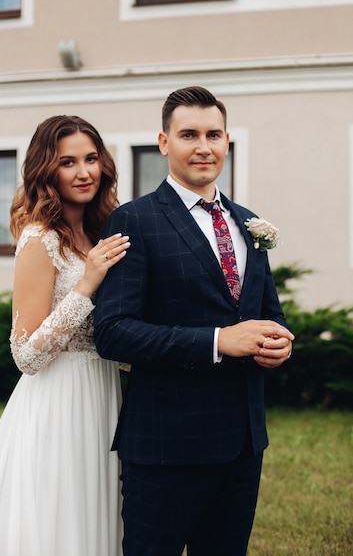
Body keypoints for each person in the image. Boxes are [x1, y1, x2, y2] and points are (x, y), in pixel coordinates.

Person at [94, 86, 295, 556]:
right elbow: (113, 332)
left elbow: (268, 314)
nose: (203, 146)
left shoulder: (249, 223)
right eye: (188, 134)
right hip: (166, 447)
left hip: (244, 446)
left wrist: (278, 343)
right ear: (164, 142)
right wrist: (219, 341)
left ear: (227, 141)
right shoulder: (135, 221)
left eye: (213, 134)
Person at [0, 115, 130, 556]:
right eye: (68, 162)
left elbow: (112, 331)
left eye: (91, 158)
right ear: (48, 170)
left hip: (106, 396)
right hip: (57, 400)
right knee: (55, 519)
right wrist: (89, 282)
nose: (84, 172)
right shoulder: (39, 240)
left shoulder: (106, 233)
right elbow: (26, 354)